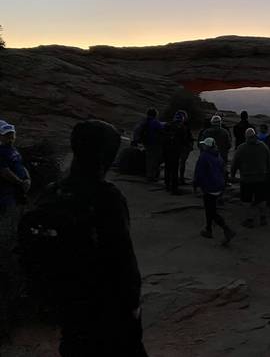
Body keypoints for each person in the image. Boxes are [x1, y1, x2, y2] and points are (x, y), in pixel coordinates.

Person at [21, 120, 146, 356]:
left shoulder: (51, 192)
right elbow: (121, 259)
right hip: (105, 307)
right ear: (104, 154)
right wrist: (133, 305)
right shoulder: (105, 197)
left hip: (67, 307)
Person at [0, 121, 30, 339]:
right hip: (6, 195)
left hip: (15, 193)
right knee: (8, 225)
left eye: (11, 134)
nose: (10, 137)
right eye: (6, 135)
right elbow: (3, 171)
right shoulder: (1, 151)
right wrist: (20, 181)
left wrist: (26, 177)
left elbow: (18, 162)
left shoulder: (11, 149)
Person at [193, 138, 236, 244]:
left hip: (209, 186)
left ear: (207, 146)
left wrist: (196, 185)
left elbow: (199, 173)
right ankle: (208, 229)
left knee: (211, 211)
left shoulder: (204, 157)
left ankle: (226, 229)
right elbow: (223, 170)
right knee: (210, 208)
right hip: (218, 185)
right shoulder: (218, 155)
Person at [231, 128, 270, 228]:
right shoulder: (263, 146)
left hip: (247, 179)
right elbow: (269, 160)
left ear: (246, 137)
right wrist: (267, 172)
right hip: (261, 177)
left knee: (246, 200)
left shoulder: (241, 148)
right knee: (261, 199)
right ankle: (263, 218)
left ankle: (249, 219)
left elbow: (235, 163)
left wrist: (232, 174)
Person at [162, 112, 189, 194]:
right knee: (174, 169)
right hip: (175, 150)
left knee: (167, 167)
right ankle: (174, 188)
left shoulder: (167, 125)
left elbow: (162, 136)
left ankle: (167, 185)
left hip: (166, 149)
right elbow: (184, 140)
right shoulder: (182, 127)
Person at [133, 108, 163, 182]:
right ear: (155, 115)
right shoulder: (155, 122)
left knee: (149, 159)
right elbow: (162, 130)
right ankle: (152, 176)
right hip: (155, 143)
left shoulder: (144, 121)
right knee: (155, 160)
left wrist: (136, 140)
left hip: (146, 143)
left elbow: (136, 130)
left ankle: (149, 175)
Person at [202, 115, 232, 180]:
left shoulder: (206, 132)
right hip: (222, 155)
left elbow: (202, 145)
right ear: (220, 123)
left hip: (210, 156)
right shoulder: (225, 132)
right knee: (222, 170)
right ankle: (224, 182)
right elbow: (229, 145)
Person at [177, 110, 194, 185]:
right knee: (182, 163)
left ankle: (176, 177)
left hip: (175, 146)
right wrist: (190, 146)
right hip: (184, 146)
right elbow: (188, 137)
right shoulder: (185, 127)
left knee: (177, 162)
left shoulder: (172, 125)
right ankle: (181, 178)